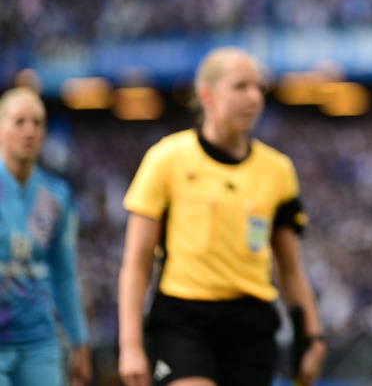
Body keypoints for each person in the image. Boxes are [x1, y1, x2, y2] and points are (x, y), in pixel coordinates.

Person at [117, 47, 326, 386]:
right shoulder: (166, 159)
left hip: (251, 329)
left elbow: (290, 268)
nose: (254, 97)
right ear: (206, 94)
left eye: (259, 87)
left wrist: (313, 337)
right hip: (183, 323)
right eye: (241, 86)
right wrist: (129, 345)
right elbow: (136, 264)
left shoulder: (278, 171)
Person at [0, 88, 91, 386]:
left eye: (38, 123)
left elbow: (64, 275)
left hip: (40, 341)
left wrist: (79, 341)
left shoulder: (56, 196)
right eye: (20, 122)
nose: (30, 131)